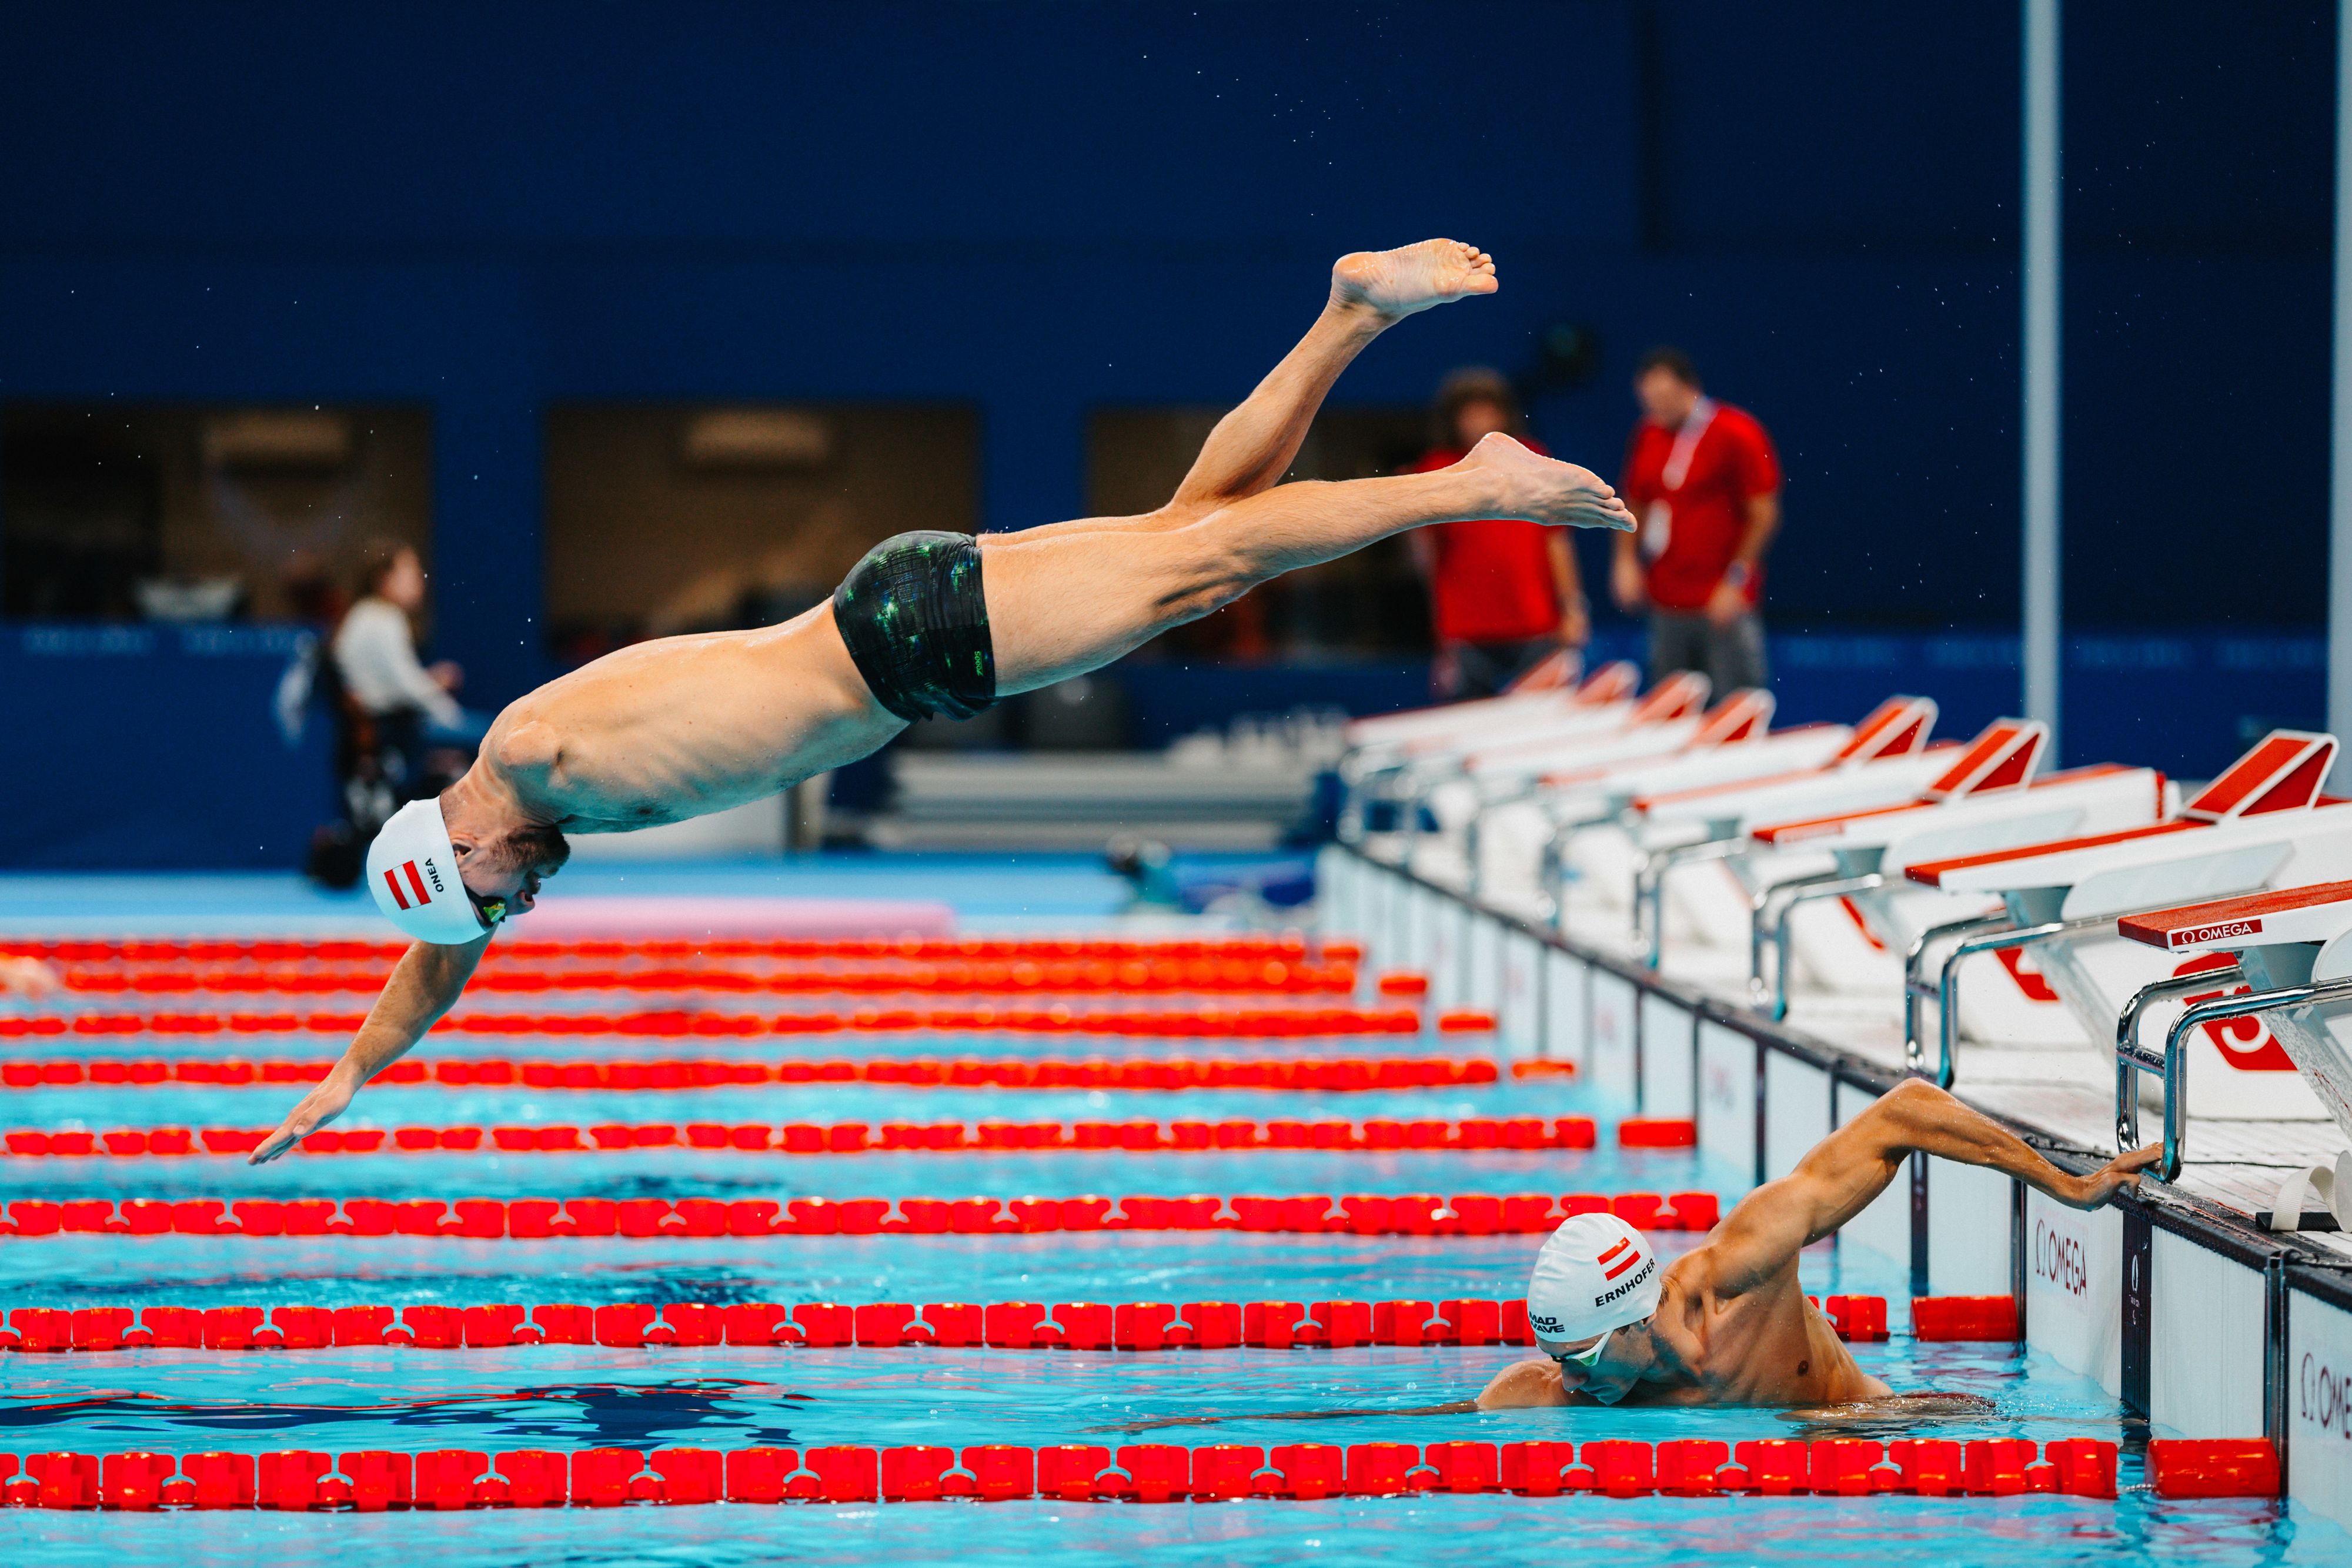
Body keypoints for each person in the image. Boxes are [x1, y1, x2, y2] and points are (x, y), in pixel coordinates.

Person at [249, 238, 1636, 1164]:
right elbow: (441, 952)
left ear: (463, 849)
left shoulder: (531, 756)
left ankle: (1474, 480)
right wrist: (352, 1072)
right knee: (1196, 538)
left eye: (494, 897)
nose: (515, 914)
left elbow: (451, 905)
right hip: (897, 629)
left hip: (904, 642)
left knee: (1199, 559)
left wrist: (1470, 496)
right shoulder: (514, 799)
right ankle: (1349, 313)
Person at [1098, 1079, 2156, 1434]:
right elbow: (1397, 1425)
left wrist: (2065, 1184)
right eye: (1561, 1362)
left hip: (1879, 1423)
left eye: (1588, 1358)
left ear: (1639, 1314)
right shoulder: (1556, 1394)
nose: (1574, 1382)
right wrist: (1209, 1422)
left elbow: (1906, 1113)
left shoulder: (1743, 1269)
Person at [1409, 369, 1588, 698]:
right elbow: (1427, 558)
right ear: (1454, 418)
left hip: (1534, 622)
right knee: (1470, 727)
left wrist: (1573, 607)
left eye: (1487, 409)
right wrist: (1441, 632)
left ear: (1504, 414)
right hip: (1467, 629)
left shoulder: (1533, 457)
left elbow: (1557, 540)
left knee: (1540, 726)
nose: (1479, 419)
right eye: (1469, 412)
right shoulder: (1436, 469)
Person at [1611, 347, 1781, 693]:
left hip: (1720, 598)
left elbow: (1764, 514)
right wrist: (1625, 561)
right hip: (1667, 597)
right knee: (1670, 702)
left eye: (1665, 397)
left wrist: (1736, 580)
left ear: (1692, 388)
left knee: (1734, 702)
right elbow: (1636, 503)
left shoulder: (1738, 431)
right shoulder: (1648, 433)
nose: (1657, 408)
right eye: (1648, 400)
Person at [332, 540, 486, 750]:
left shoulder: (364, 614)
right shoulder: (384, 618)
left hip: (386, 726)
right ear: (384, 579)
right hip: (392, 730)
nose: (420, 580)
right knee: (491, 736)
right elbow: (407, 688)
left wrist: (429, 682)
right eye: (411, 571)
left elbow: (393, 681)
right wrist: (451, 714)